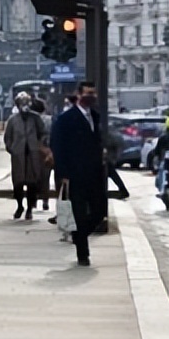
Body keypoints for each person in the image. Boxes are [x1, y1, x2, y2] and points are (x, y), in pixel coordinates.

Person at [50, 80, 107, 266]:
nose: (91, 96)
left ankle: (79, 234)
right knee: (80, 213)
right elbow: (57, 147)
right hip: (75, 174)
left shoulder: (95, 117)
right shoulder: (66, 119)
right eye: (87, 93)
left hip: (95, 173)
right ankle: (83, 253)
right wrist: (63, 173)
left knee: (99, 211)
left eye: (93, 93)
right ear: (79, 95)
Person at [3, 92, 46, 220]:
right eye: (21, 103)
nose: (24, 106)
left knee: (32, 184)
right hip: (18, 155)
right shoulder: (12, 120)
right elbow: (7, 137)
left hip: (33, 155)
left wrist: (39, 146)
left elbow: (43, 133)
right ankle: (20, 205)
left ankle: (29, 209)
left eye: (26, 103)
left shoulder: (35, 118)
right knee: (18, 183)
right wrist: (12, 149)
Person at [30, 98, 53, 211]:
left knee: (33, 178)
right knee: (46, 178)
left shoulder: (31, 120)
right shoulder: (50, 120)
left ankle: (33, 201)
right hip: (48, 151)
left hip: (34, 151)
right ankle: (45, 201)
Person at [103, 129, 132, 200]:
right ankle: (123, 190)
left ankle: (123, 190)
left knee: (112, 174)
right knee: (113, 175)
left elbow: (116, 148)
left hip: (108, 160)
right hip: (108, 159)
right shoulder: (110, 136)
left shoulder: (109, 137)